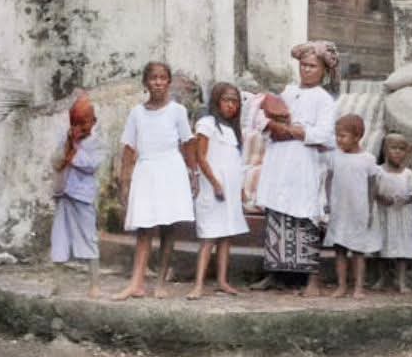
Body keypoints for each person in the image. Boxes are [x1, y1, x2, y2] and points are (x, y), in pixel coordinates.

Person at [254, 40, 338, 297]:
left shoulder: (324, 100)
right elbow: (268, 119)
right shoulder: (288, 92)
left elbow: (324, 134)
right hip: (280, 160)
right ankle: (275, 273)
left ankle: (312, 279)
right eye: (303, 65)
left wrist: (291, 130)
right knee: (277, 213)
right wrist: (274, 127)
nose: (307, 70)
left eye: (313, 66)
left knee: (305, 215)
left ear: (323, 70)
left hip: (304, 162)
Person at [113, 61, 198, 301]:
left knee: (169, 228)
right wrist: (125, 180)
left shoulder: (177, 111)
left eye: (163, 78)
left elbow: (188, 143)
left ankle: (160, 282)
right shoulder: (137, 113)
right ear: (145, 83)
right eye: (153, 78)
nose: (158, 82)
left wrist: (195, 174)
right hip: (147, 171)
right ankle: (136, 283)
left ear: (169, 82)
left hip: (171, 170)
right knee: (144, 228)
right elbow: (129, 148)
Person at [187, 82, 249, 300]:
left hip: (230, 189)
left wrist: (240, 189)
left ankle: (223, 281)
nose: (231, 105)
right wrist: (215, 183)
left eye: (235, 101)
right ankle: (198, 285)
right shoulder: (207, 123)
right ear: (216, 101)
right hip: (213, 189)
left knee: (226, 236)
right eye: (226, 100)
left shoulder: (232, 130)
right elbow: (201, 157)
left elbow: (235, 162)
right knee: (209, 237)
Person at [50, 92, 104, 297]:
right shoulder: (65, 137)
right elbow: (56, 162)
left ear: (94, 121)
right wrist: (68, 144)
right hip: (64, 194)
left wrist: (75, 148)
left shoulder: (97, 142)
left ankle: (94, 284)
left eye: (85, 122)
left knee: (88, 237)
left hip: (83, 196)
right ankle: (58, 283)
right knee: (59, 237)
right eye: (76, 123)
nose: (81, 127)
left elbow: (90, 165)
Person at [324, 113, 380, 299]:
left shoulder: (368, 159)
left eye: (343, 136)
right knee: (339, 249)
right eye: (337, 135)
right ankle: (341, 286)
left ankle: (358, 287)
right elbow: (329, 179)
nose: (339, 140)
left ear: (357, 137)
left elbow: (372, 185)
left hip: (358, 210)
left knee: (358, 250)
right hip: (340, 209)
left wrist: (370, 209)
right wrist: (327, 202)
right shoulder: (334, 156)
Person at [375, 132, 412, 292]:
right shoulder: (378, 171)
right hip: (383, 215)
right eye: (393, 148)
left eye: (402, 149)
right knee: (381, 246)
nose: (397, 152)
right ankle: (382, 278)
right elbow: (372, 191)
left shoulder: (408, 174)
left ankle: (401, 281)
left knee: (402, 249)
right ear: (385, 150)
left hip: (402, 216)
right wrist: (382, 198)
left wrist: (404, 200)